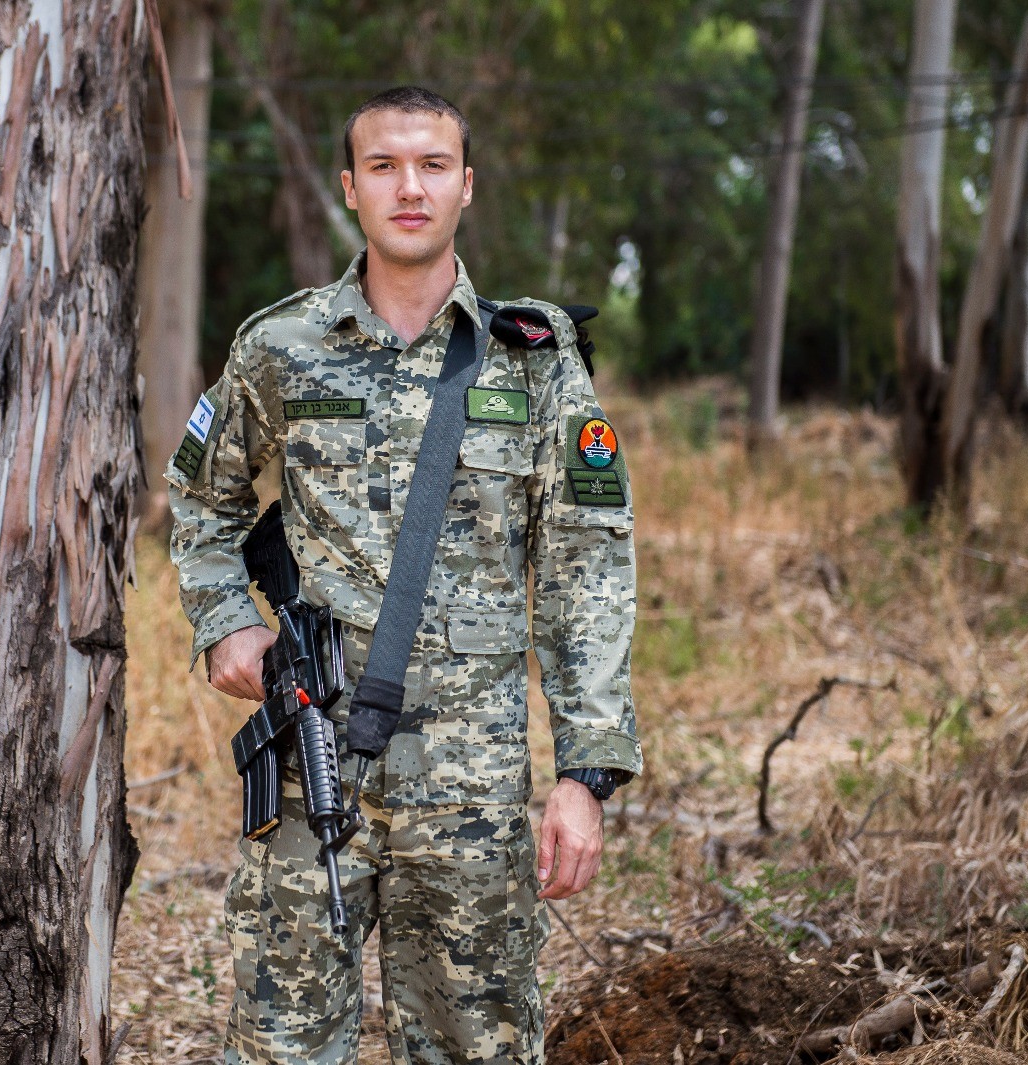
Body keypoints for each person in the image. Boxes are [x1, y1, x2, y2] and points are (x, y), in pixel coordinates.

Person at [165, 85, 642, 1065]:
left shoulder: (533, 363)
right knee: (278, 1049)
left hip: (470, 783)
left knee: (479, 1049)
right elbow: (201, 500)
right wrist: (224, 624)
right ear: (350, 189)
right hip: (310, 762)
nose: (408, 187)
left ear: (466, 186)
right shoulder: (280, 346)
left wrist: (585, 772)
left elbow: (586, 563)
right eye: (383, 167)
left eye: (431, 166)